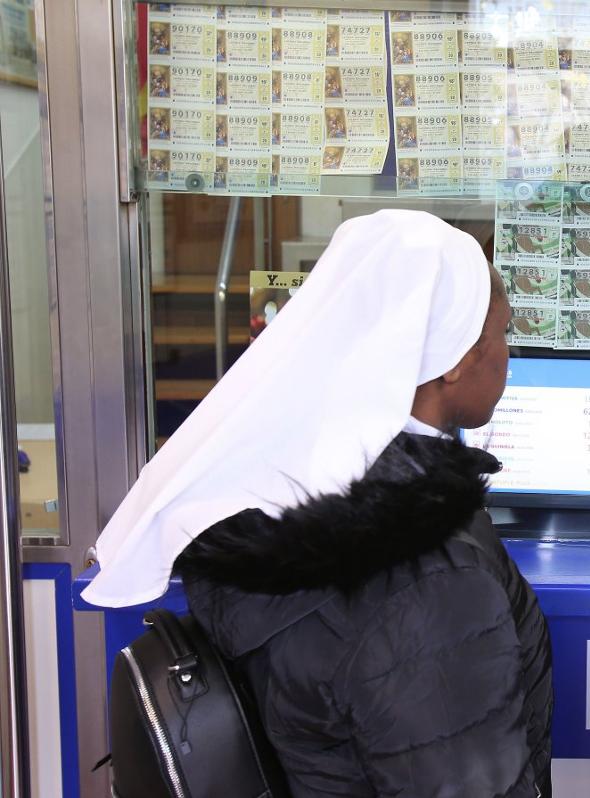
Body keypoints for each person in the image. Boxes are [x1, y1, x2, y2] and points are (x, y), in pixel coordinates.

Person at [82, 211, 554, 798]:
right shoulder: (426, 578)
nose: (508, 354)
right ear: (455, 360)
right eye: (502, 333)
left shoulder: (273, 493)